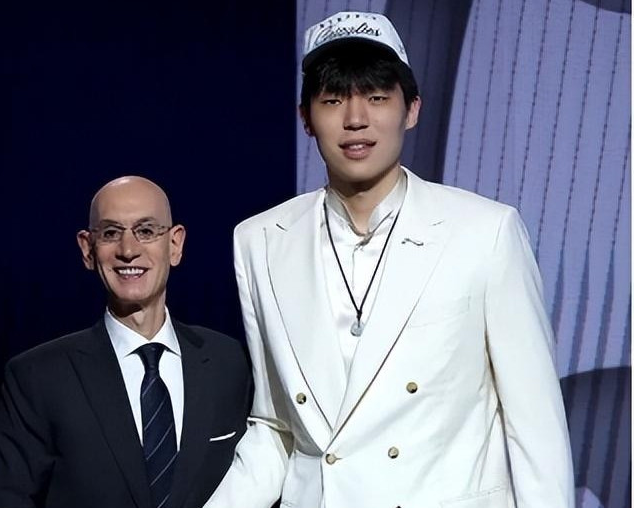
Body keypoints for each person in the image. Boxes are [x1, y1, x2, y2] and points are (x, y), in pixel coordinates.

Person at [205, 11, 574, 508]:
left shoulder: (484, 233)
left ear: (412, 109)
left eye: (377, 97)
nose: (355, 118)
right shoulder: (261, 241)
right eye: (333, 99)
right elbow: (276, 426)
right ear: (306, 118)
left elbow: (536, 427)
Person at [0, 176, 251, 508]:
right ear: (87, 249)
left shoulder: (228, 362)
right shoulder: (37, 377)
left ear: (175, 244)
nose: (128, 250)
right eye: (110, 233)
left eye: (146, 231)